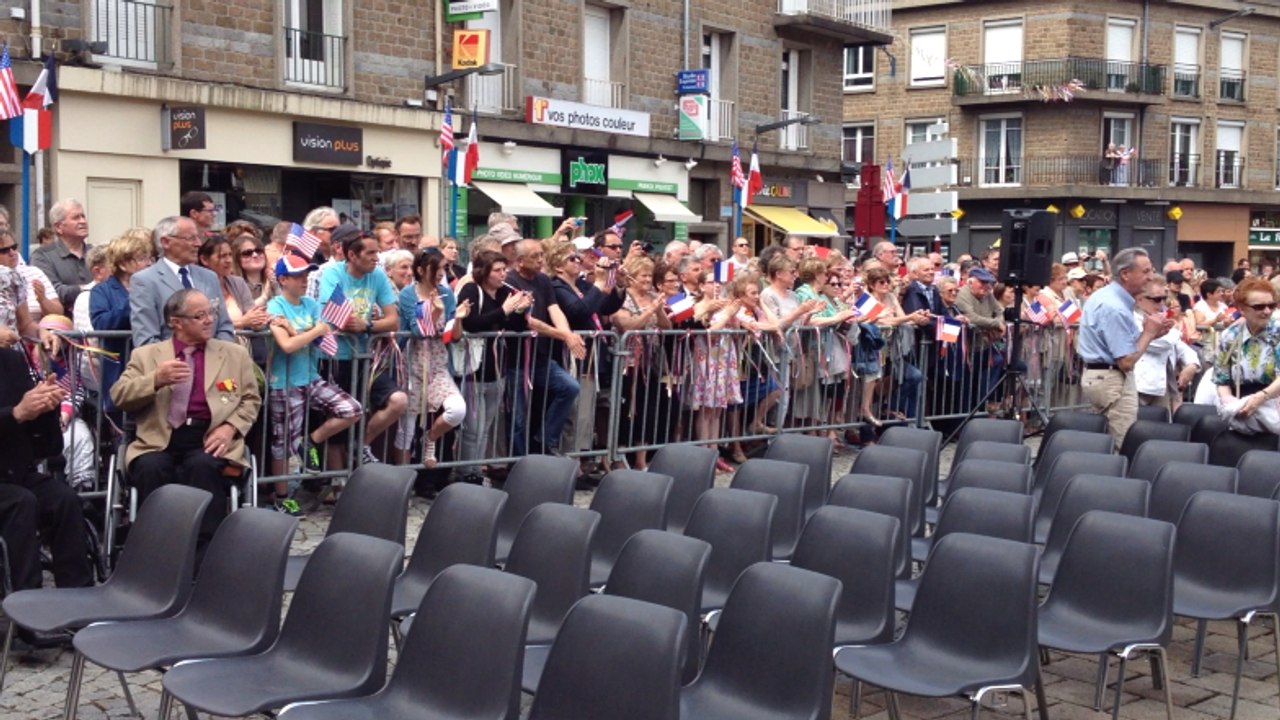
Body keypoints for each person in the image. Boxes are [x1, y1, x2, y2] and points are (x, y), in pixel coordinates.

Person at [111, 289, 261, 556]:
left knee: (202, 466)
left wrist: (230, 428)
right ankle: (156, 552)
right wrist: (155, 380)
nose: (209, 320)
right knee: (151, 467)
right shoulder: (146, 356)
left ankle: (204, 555)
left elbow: (251, 399)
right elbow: (119, 396)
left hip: (210, 435)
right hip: (158, 437)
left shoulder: (234, 354)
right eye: (199, 315)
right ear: (176, 322)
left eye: (211, 313)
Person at [0, 348, 93, 643]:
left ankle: (78, 605)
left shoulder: (11, 361)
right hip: (10, 488)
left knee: (63, 499)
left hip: (14, 471)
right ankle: (28, 615)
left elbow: (44, 446)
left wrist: (46, 406)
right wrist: (15, 414)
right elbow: (16, 415)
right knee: (21, 504)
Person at [265, 255, 362, 512]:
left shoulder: (310, 303)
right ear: (283, 280)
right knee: (283, 442)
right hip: (284, 383)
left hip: (311, 377)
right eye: (298, 276)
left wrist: (301, 332)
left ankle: (311, 441)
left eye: (306, 276)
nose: (304, 281)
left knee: (352, 409)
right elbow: (286, 345)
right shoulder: (275, 306)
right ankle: (282, 496)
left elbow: (317, 335)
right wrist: (314, 331)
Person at [316, 231, 408, 464]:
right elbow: (335, 316)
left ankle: (360, 445)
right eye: (370, 252)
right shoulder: (332, 273)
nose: (376, 257)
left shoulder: (377, 275)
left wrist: (366, 325)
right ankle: (338, 486)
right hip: (334, 357)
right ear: (351, 255)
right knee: (338, 420)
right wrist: (358, 324)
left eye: (377, 251)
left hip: (366, 357)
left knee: (398, 400)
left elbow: (392, 320)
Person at [1076, 247, 1172, 450]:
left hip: (1105, 377)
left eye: (1151, 270)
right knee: (1120, 445)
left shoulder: (1110, 298)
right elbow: (1126, 360)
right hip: (1111, 379)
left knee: (1108, 443)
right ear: (1126, 274)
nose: (1150, 277)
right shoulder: (1114, 306)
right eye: (1145, 271)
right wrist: (1148, 333)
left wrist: (1153, 333)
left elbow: (1120, 346)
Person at [503, 239, 584, 457]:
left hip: (540, 356)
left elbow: (554, 309)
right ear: (519, 261)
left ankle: (544, 441)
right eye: (535, 256)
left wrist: (567, 334)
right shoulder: (510, 280)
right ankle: (518, 461)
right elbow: (529, 321)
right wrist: (564, 335)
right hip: (515, 358)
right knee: (517, 415)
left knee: (569, 387)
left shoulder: (543, 280)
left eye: (541, 255)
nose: (541, 260)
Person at [456, 250, 530, 482]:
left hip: (498, 368)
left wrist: (521, 309)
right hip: (474, 368)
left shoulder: (507, 292)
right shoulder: (472, 290)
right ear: (484, 272)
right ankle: (466, 471)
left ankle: (475, 469)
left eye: (504, 269)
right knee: (472, 428)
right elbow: (471, 323)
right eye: (497, 270)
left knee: (485, 426)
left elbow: (517, 328)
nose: (502, 274)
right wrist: (503, 311)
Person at [397, 251, 469, 468]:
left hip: (437, 364)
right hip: (412, 364)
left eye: (443, 268)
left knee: (457, 409)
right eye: (436, 268)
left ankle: (430, 438)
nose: (440, 273)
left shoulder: (447, 293)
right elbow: (417, 331)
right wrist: (434, 313)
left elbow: (453, 336)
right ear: (421, 270)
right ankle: (401, 477)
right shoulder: (409, 294)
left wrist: (458, 319)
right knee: (406, 430)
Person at [130, 216, 234, 347]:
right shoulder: (145, 281)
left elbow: (224, 326)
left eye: (198, 237)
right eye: (191, 238)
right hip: (172, 363)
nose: (198, 244)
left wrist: (216, 356)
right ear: (166, 242)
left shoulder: (209, 277)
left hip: (213, 363)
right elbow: (146, 337)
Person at [91, 230, 154, 414]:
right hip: (120, 363)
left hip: (149, 360)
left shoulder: (153, 286)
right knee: (121, 414)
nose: (149, 263)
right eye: (142, 258)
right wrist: (132, 300)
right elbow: (101, 324)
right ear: (124, 264)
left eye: (149, 258)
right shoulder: (101, 291)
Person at [1211, 278, 1280, 434]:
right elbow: (1221, 379)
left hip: (1274, 407)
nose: (1267, 311)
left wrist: (1260, 398)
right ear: (1242, 309)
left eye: (1271, 305)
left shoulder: (1278, 332)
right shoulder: (1229, 336)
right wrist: (1230, 404)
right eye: (1259, 307)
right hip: (1241, 411)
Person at [199, 234, 270, 365]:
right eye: (222, 256)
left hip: (243, 354)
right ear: (204, 259)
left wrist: (260, 320)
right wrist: (243, 321)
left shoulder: (237, 282)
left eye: (230, 255)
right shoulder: (197, 287)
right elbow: (205, 325)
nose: (228, 260)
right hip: (212, 356)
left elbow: (252, 314)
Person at [1134, 276, 1199, 413]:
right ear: (1140, 298)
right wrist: (1177, 332)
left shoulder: (1161, 320)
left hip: (1163, 387)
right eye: (1157, 299)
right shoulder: (1132, 318)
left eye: (1164, 298)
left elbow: (1183, 349)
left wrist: (1192, 365)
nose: (1162, 304)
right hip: (1138, 386)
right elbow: (1161, 343)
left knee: (1162, 429)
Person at [31, 199, 94, 310]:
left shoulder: (96, 253)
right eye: (76, 218)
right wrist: (89, 288)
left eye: (83, 216)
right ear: (59, 227)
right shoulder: (43, 256)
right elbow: (52, 292)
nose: (83, 221)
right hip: (62, 321)